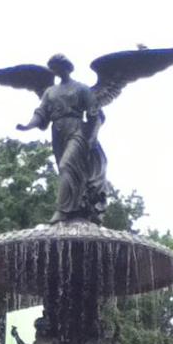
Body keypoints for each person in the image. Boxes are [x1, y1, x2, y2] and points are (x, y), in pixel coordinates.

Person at [17, 54, 107, 223]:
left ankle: (63, 211)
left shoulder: (81, 89)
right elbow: (41, 112)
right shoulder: (50, 92)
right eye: (52, 68)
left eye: (56, 67)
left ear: (65, 67)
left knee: (67, 165)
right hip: (58, 132)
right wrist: (28, 125)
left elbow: (94, 114)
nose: (54, 71)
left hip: (77, 130)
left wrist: (92, 137)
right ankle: (78, 204)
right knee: (67, 170)